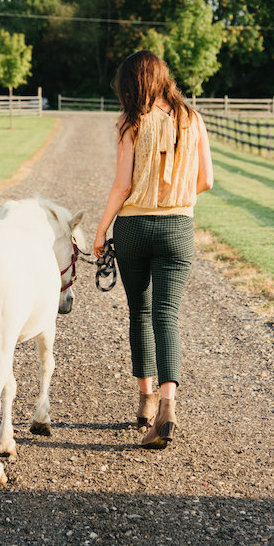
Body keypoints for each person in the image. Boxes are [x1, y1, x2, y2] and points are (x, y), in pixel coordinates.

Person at [93, 50, 214, 449]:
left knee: (140, 312)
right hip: (178, 228)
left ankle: (145, 399)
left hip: (134, 227)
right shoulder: (192, 119)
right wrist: (174, 196)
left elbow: (122, 186)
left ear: (132, 83)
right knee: (166, 315)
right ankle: (167, 406)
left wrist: (101, 230)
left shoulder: (131, 122)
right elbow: (206, 181)